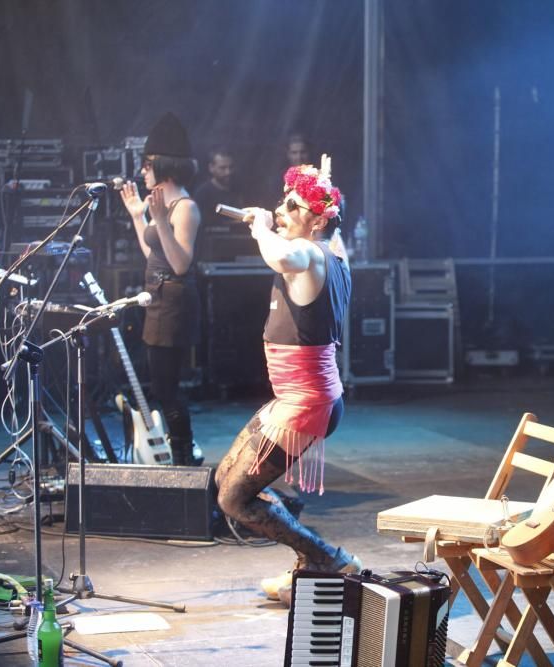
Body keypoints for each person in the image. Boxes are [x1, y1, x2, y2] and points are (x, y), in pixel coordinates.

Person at [214, 155, 361, 606]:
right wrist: (303, 207)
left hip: (305, 403)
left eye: (293, 206)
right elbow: (297, 243)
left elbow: (279, 253)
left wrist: (261, 225)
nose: (281, 211)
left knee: (235, 501)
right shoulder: (332, 251)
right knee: (225, 478)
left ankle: (328, 559)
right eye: (283, 203)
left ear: (317, 220)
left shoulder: (310, 254)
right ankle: (307, 552)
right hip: (297, 398)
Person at [119, 112, 201, 466]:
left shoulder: (185, 207)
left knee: (167, 386)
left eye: (147, 165)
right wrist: (140, 216)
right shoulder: (158, 205)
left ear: (163, 166)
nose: (142, 172)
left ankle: (183, 452)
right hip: (155, 296)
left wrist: (160, 220)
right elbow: (154, 254)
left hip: (174, 302)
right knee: (156, 381)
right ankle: (176, 447)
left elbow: (180, 263)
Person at [193, 146, 252, 262]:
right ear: (211, 168)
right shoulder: (203, 193)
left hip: (239, 250)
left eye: (230, 167)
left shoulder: (239, 189)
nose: (228, 172)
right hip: (211, 254)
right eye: (222, 168)